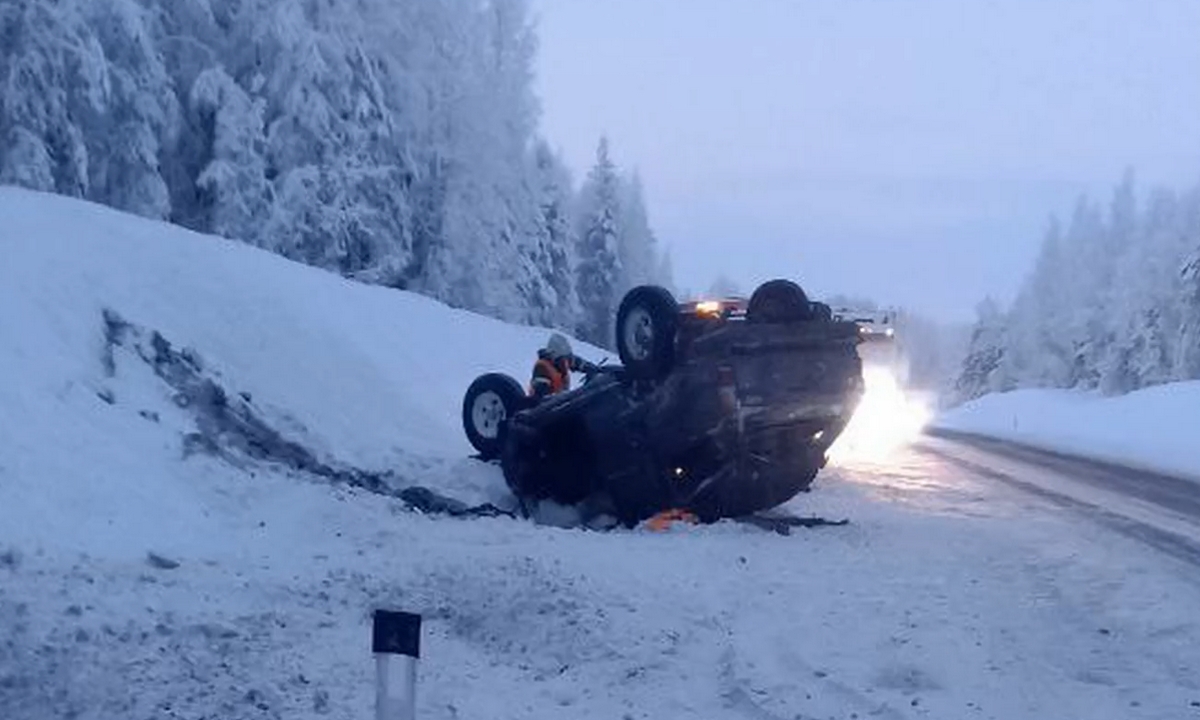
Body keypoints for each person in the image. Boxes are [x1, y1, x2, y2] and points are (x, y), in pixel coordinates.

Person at [530, 333, 596, 398]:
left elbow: (577, 362)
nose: (566, 361)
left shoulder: (563, 360)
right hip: (551, 406)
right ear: (553, 355)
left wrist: (593, 369)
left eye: (566, 357)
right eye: (563, 358)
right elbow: (541, 396)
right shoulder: (541, 368)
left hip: (564, 401)